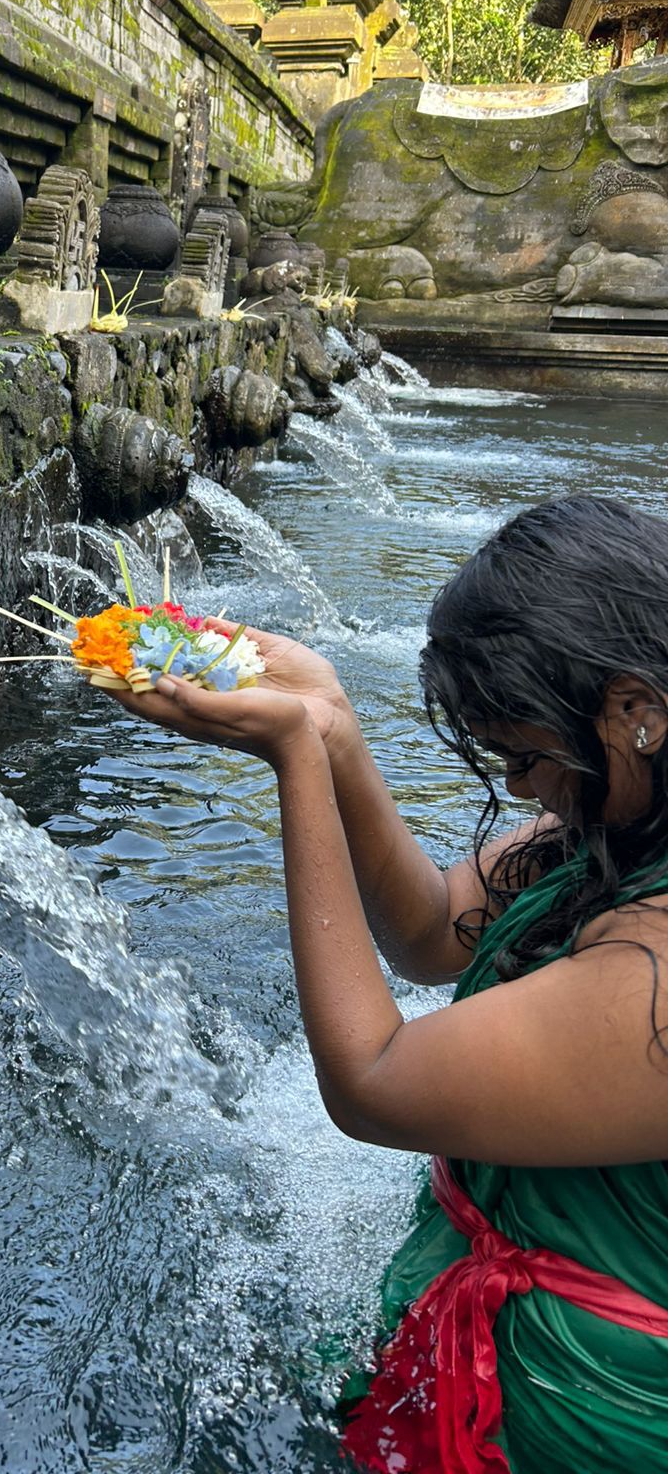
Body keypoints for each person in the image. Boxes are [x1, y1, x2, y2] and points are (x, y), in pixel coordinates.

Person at [108, 494, 668, 1473]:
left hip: (589, 1413)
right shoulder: (620, 825)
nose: (526, 787)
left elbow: (374, 1076)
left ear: (634, 709)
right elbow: (430, 930)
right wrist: (329, 724)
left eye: (527, 756)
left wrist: (291, 761)